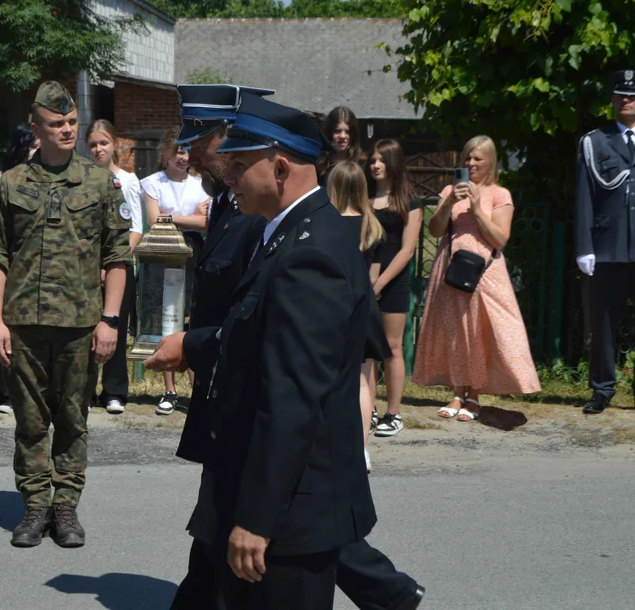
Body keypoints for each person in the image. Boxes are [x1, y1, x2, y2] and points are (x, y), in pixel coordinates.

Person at [150, 95, 424, 610]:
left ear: (278, 168)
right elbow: (254, 338)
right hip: (270, 495)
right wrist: (194, 343)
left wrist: (256, 519)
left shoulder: (310, 252)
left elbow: (292, 399)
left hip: (291, 517)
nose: (226, 176)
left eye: (237, 165)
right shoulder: (285, 233)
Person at [0, 81, 130, 549]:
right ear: (35, 128)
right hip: (23, 322)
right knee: (29, 421)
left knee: (72, 419)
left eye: (71, 123)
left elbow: (117, 255)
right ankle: (35, 505)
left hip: (81, 324)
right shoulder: (11, 184)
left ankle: (65, 505)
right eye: (56, 124)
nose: (67, 130)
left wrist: (109, 320)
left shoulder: (102, 182)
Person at [144, 83, 268, 609]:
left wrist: (195, 344)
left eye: (202, 141)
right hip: (218, 386)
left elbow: (253, 318)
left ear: (232, 140)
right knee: (216, 524)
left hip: (245, 391)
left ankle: (383, 589)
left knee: (229, 521)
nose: (191, 152)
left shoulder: (261, 215)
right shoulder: (221, 205)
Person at [414, 136, 540, 418]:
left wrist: (476, 208)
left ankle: (475, 396)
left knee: (481, 331)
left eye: (477, 158)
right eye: (467, 157)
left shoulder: (500, 194)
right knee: (456, 331)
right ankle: (458, 394)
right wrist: (448, 204)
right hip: (451, 270)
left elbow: (500, 238)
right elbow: (434, 231)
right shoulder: (449, 189)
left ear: (490, 162)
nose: (470, 163)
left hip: (485, 273)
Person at [576, 70, 635, 415]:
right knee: (603, 323)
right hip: (607, 247)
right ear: (612, 101)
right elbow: (584, 197)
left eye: (633, 96)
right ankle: (602, 389)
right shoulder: (596, 142)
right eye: (620, 95)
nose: (626, 100)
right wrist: (584, 246)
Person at [140, 131, 211, 415]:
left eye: (186, 152)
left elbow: (206, 222)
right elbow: (154, 220)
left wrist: (174, 218)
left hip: (194, 250)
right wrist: (187, 218)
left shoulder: (202, 185)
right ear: (166, 154)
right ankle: (169, 390)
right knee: (168, 316)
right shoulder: (153, 183)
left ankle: (197, 389)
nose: (183, 158)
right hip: (164, 250)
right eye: (177, 152)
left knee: (191, 318)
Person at [328, 161, 389, 470]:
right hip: (365, 306)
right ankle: (361, 449)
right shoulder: (373, 225)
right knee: (363, 382)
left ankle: (331, 443)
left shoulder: (327, 222)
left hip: (332, 305)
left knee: (329, 378)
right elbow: (373, 278)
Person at [0, 123, 40, 414]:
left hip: (36, 268)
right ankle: (1, 393)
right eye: (35, 147)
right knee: (2, 325)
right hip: (8, 265)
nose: (39, 153)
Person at [85, 119, 142, 414]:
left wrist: (112, 263)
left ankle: (114, 391)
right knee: (85, 330)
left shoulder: (128, 180)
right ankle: (85, 389)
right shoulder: (81, 180)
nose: (98, 149)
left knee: (113, 327)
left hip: (118, 266)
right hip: (87, 268)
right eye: (93, 144)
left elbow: (135, 229)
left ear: (114, 144)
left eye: (103, 143)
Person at [368, 139, 422, 438]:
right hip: (367, 281)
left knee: (392, 348)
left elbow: (408, 249)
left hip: (393, 281)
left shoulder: (409, 200)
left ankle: (394, 412)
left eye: (381, 160)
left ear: (393, 163)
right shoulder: (364, 197)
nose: (375, 165)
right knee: (368, 350)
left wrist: (381, 282)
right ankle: (370, 409)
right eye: (373, 160)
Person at [317, 106, 368, 184]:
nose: (342, 136)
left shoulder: (363, 164)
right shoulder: (318, 164)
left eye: (347, 132)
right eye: (337, 131)